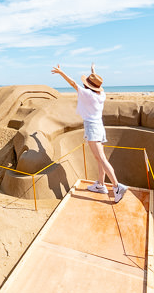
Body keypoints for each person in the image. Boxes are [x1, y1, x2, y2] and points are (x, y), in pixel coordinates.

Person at [52, 63, 127, 203]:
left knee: (102, 159)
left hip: (92, 128)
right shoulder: (102, 95)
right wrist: (93, 71)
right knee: (100, 158)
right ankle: (100, 184)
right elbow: (94, 83)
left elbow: (73, 83)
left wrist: (61, 72)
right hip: (99, 126)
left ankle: (117, 187)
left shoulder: (86, 94)